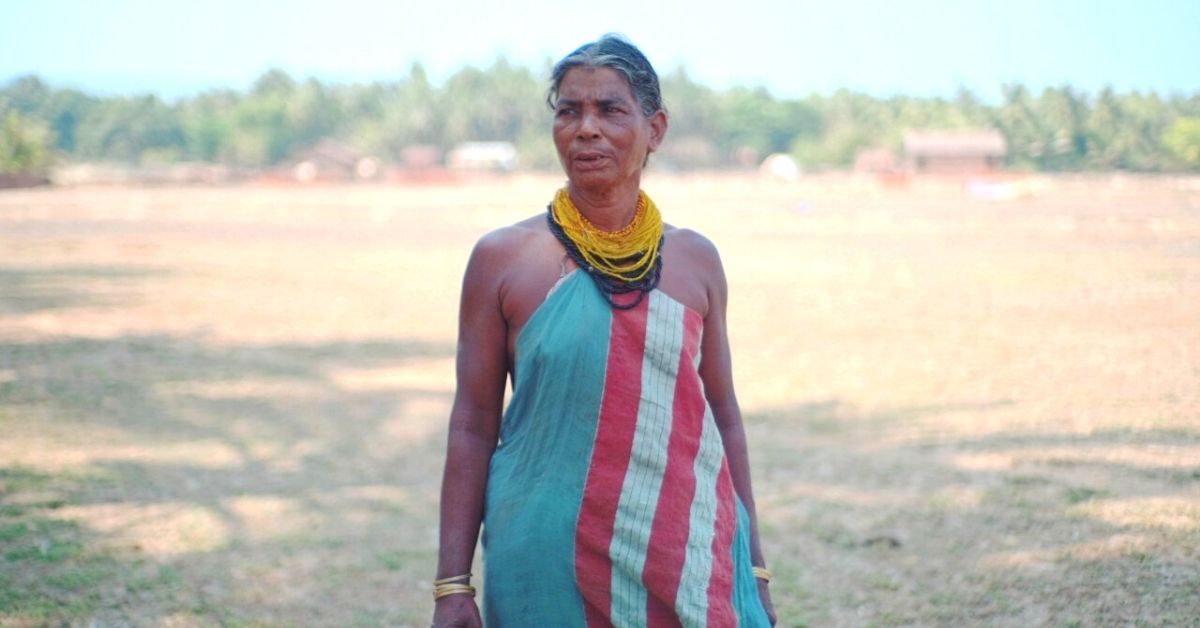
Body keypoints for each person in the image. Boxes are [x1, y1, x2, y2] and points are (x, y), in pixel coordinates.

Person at [432, 34, 776, 627]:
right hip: (547, 558)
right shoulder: (503, 260)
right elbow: (472, 425)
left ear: (656, 129)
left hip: (688, 551)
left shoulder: (697, 262)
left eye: (610, 109)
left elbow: (723, 414)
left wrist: (755, 568)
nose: (586, 128)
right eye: (569, 110)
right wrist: (452, 585)